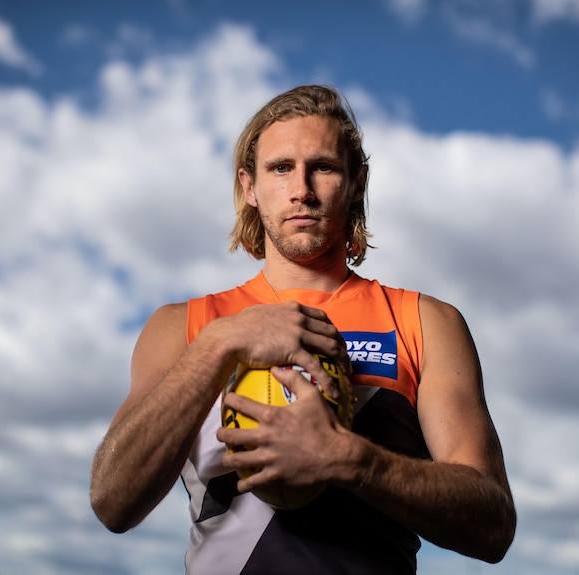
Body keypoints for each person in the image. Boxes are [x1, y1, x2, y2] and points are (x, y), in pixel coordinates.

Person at [90, 85, 516, 574]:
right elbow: (112, 501)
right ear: (249, 186)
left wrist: (349, 459)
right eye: (280, 168)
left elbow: (493, 524)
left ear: (357, 181)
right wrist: (221, 342)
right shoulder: (182, 328)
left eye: (324, 167)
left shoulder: (426, 323)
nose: (301, 190)